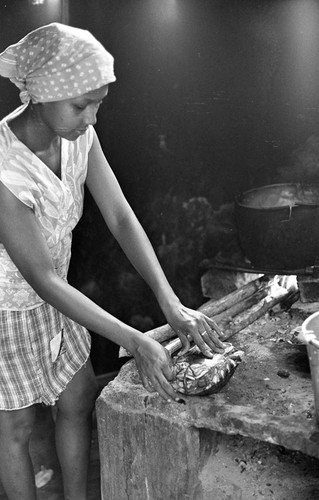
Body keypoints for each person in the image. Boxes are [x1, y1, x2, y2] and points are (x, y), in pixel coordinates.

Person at [0, 23, 225, 500]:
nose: (92, 117)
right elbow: (39, 278)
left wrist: (170, 303)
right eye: (82, 104)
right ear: (39, 94)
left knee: (77, 398)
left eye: (99, 102)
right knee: (15, 426)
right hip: (8, 309)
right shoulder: (4, 168)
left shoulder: (79, 136)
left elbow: (121, 217)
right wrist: (134, 340)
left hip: (58, 295)